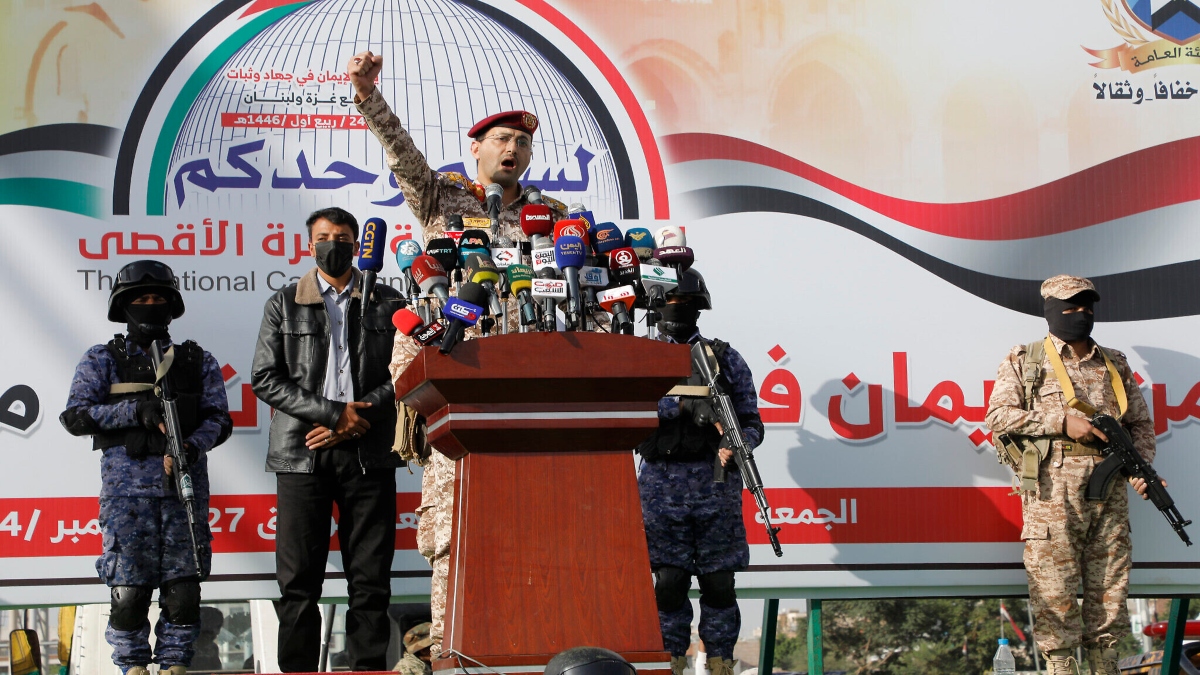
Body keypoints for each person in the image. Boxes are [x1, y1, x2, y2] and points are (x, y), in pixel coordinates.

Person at [346, 48, 569, 658]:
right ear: (477, 147)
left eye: (522, 143)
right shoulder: (443, 197)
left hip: (526, 384)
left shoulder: (551, 216)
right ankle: (451, 647)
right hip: (453, 376)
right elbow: (402, 156)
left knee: (533, 519)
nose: (512, 151)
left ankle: (530, 640)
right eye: (501, 140)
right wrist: (368, 95)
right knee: (451, 526)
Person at [250, 207, 404, 672]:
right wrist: (336, 415)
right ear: (309, 244)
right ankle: (298, 670)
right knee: (298, 583)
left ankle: (368, 668)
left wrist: (360, 418)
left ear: (357, 245)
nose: (331, 244)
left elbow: (404, 375)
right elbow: (264, 377)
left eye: (341, 237)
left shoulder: (388, 300)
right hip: (303, 454)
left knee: (371, 580)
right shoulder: (284, 302)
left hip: (369, 452)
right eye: (323, 237)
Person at [60, 260, 232, 675]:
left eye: (158, 299)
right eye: (141, 299)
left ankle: (174, 664)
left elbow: (220, 419)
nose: (150, 306)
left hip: (183, 491)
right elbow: (76, 417)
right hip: (128, 496)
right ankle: (132, 666)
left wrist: (191, 445)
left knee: (184, 591)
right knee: (129, 595)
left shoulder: (196, 360)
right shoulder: (103, 359)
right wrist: (134, 411)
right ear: (124, 307)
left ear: (172, 306)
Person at [985, 274, 1160, 675]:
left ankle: (1106, 664)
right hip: (1051, 493)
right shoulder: (1026, 359)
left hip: (1110, 492)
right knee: (1054, 590)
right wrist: (1061, 422)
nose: (1080, 314)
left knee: (1111, 588)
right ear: (1049, 310)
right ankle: (1060, 666)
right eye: (1070, 306)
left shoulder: (1114, 362)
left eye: (1087, 306)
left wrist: (1141, 469)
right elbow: (997, 417)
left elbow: (1140, 426)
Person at [636, 269, 763, 675]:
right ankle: (671, 660)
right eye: (670, 303)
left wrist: (734, 442)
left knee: (719, 583)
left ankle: (722, 661)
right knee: (669, 582)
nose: (677, 312)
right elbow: (626, 412)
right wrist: (682, 406)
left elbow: (751, 421)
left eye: (685, 304)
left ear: (698, 308)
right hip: (661, 483)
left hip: (716, 483)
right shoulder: (639, 357)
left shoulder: (724, 357)